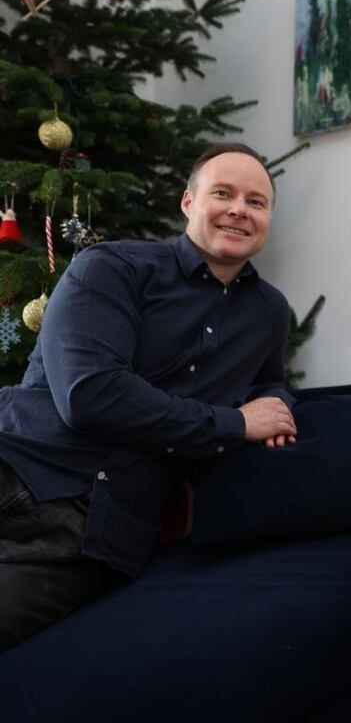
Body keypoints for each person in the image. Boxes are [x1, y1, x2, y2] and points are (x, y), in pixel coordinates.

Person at [0, 142, 297, 650]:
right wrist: (233, 424)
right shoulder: (111, 267)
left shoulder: (270, 313)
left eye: (256, 202)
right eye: (222, 193)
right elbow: (90, 395)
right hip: (20, 464)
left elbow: (267, 382)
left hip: (94, 537)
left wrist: (278, 404)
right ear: (188, 202)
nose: (238, 210)